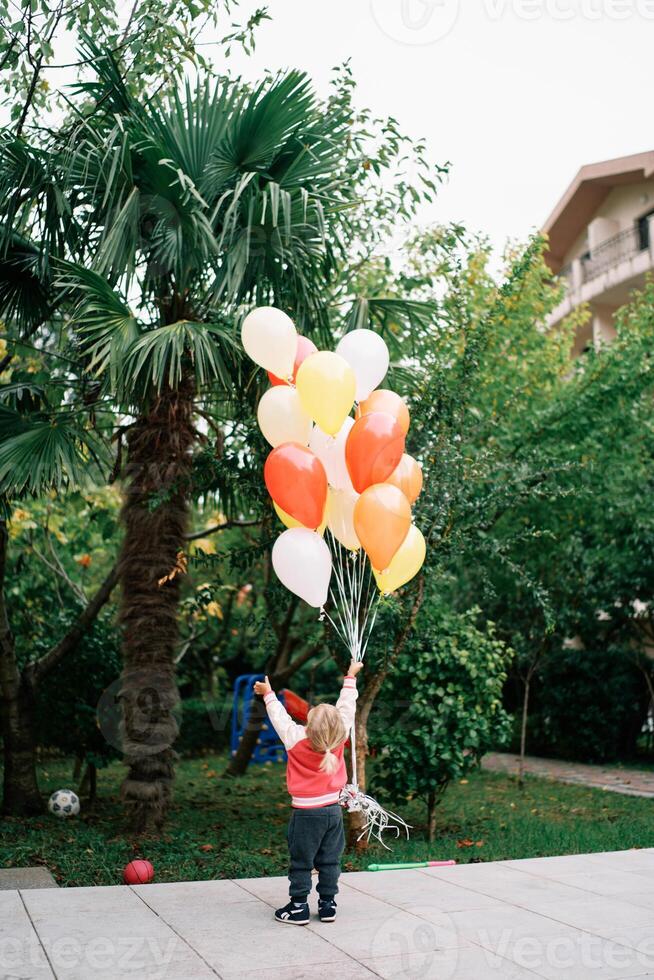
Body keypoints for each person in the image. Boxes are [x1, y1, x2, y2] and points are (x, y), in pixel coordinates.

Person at [253, 661, 363, 925]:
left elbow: (279, 717)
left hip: (305, 815)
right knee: (329, 861)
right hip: (333, 812)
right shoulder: (340, 736)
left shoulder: (295, 737)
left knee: (302, 862)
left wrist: (268, 693)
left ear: (309, 725)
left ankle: (299, 906)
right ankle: (327, 905)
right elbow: (346, 707)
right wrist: (350, 677)